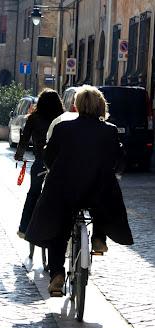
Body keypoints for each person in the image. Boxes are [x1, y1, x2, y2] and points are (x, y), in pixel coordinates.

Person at [25, 85, 133, 295]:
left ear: (76, 105)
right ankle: (99, 237)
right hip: (97, 193)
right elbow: (119, 161)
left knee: (58, 230)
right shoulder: (109, 130)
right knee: (104, 198)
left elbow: (49, 157)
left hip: (65, 192)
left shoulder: (63, 128)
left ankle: (57, 274)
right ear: (101, 106)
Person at [14, 88, 64, 238]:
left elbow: (23, 141)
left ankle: (24, 228)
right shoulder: (62, 118)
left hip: (40, 161)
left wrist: (19, 155)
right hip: (59, 163)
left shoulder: (33, 118)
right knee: (60, 194)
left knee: (33, 193)